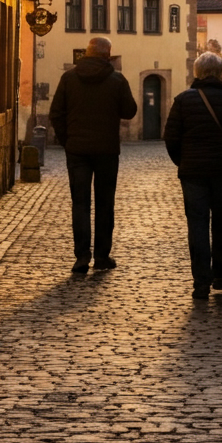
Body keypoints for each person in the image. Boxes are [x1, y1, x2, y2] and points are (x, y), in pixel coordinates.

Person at [163, 52, 222, 300]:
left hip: (193, 173)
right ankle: (221, 275)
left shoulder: (183, 101)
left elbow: (171, 137)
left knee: (198, 224)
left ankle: (201, 281)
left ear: (197, 73)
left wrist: (183, 161)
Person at [49, 37, 138, 273]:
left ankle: (81, 256)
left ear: (86, 53)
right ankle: (101, 256)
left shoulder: (69, 78)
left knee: (80, 202)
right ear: (107, 54)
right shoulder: (117, 80)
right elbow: (130, 111)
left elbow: (56, 113)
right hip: (106, 150)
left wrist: (67, 139)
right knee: (104, 203)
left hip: (77, 150)